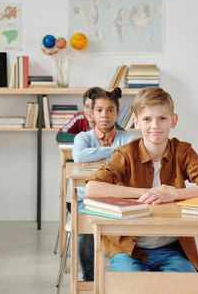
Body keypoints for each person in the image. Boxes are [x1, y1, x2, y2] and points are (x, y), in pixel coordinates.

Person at [85, 87, 198, 273]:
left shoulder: (183, 152)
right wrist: (145, 192)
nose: (155, 125)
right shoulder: (125, 154)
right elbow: (92, 189)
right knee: (129, 284)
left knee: (187, 284)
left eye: (162, 118)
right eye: (147, 119)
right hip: (130, 249)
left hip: (173, 248)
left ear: (173, 121)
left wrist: (174, 193)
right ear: (136, 122)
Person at [71, 87, 134, 281]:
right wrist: (116, 152)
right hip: (88, 198)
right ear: (92, 112)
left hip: (120, 197)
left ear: (117, 112)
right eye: (99, 110)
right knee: (87, 228)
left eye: (110, 110)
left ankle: (123, 277)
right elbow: (79, 155)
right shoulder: (84, 137)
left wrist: (99, 155)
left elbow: (131, 154)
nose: (104, 115)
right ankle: (90, 278)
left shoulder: (127, 138)